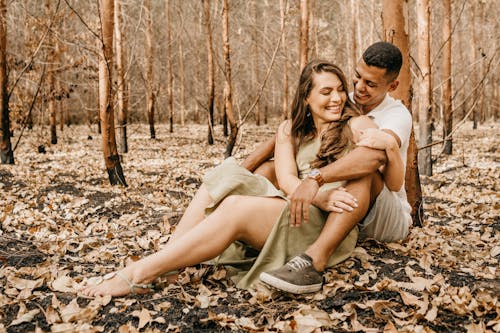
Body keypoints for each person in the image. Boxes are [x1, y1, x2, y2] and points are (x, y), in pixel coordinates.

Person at [80, 60, 401, 297]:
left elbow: (373, 159)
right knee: (225, 173)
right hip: (299, 207)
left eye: (340, 90)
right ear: (306, 98)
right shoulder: (290, 129)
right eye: (326, 92)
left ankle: (137, 274)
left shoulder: (356, 124)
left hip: (326, 224)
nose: (337, 98)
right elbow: (289, 180)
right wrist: (313, 192)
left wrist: (317, 182)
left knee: (235, 206)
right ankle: (168, 259)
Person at [258, 41, 413, 294]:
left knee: (364, 168)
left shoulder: (397, 116)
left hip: (384, 215)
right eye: (357, 77)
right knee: (269, 169)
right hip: (346, 208)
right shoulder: (344, 97)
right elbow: (288, 133)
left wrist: (315, 179)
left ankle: (314, 262)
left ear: (392, 86)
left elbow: (373, 161)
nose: (359, 88)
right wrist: (238, 170)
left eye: (371, 84)